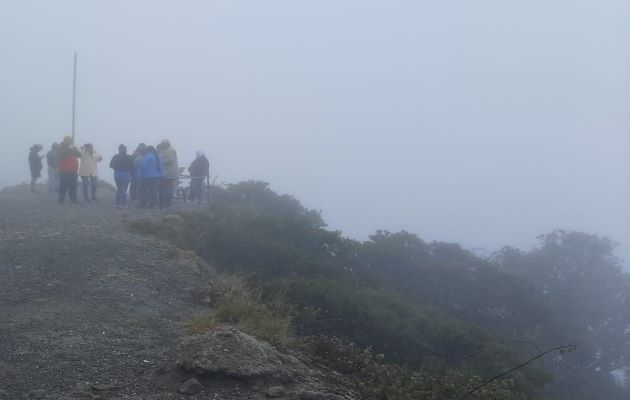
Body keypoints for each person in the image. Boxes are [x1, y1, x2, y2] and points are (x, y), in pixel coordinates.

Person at [57, 136, 81, 203]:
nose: (71, 141)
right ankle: (61, 199)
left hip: (73, 170)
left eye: (71, 140)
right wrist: (70, 150)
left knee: (73, 185)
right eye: (70, 140)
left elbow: (79, 155)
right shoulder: (60, 147)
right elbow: (61, 154)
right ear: (65, 140)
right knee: (63, 184)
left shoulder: (72, 147)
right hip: (64, 169)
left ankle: (73, 198)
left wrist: (75, 149)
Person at [157, 139, 178, 207]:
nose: (162, 145)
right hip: (166, 172)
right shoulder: (165, 151)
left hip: (169, 172)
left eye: (162, 144)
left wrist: (160, 161)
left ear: (166, 144)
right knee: (166, 187)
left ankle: (167, 201)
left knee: (168, 187)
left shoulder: (170, 150)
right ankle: (166, 200)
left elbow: (170, 159)